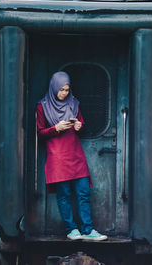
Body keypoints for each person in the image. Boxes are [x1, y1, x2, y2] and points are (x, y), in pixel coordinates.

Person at [36, 71, 107, 241]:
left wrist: (79, 127)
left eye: (67, 90)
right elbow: (39, 133)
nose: (64, 93)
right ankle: (72, 229)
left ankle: (88, 230)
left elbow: (81, 125)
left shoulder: (74, 103)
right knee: (64, 194)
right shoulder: (42, 106)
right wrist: (55, 128)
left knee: (83, 192)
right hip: (58, 156)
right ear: (54, 88)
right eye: (61, 90)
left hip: (75, 154)